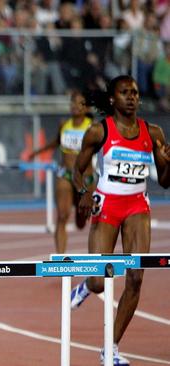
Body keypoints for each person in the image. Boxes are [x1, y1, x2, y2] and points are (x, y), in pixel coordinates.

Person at [70, 75, 170, 365]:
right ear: (112, 99)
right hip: (108, 205)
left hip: (137, 206)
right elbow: (77, 171)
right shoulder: (98, 131)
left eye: (135, 93)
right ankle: (87, 286)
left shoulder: (153, 132)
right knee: (100, 280)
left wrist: (168, 162)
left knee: (136, 278)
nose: (132, 97)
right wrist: (84, 192)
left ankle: (109, 348)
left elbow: (164, 182)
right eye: (125, 92)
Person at [28, 90, 94, 253]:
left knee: (82, 220)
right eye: (73, 102)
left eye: (80, 103)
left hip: (85, 178)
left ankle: (79, 212)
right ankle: (61, 259)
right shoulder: (64, 125)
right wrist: (36, 153)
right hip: (65, 174)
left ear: (86, 108)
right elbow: (56, 142)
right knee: (62, 216)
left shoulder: (93, 128)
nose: (75, 106)